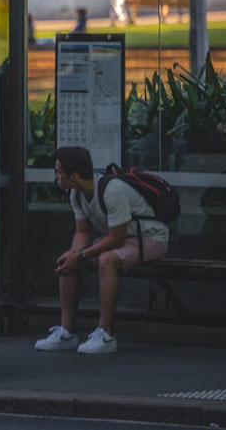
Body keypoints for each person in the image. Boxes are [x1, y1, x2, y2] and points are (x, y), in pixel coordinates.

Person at [34, 146, 168, 355]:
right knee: (67, 261)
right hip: (121, 238)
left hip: (150, 239)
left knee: (107, 260)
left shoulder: (112, 191)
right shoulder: (76, 194)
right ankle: (67, 331)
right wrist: (74, 254)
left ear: (75, 175)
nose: (56, 177)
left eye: (59, 172)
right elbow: (82, 232)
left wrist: (81, 256)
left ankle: (106, 334)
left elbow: (117, 238)